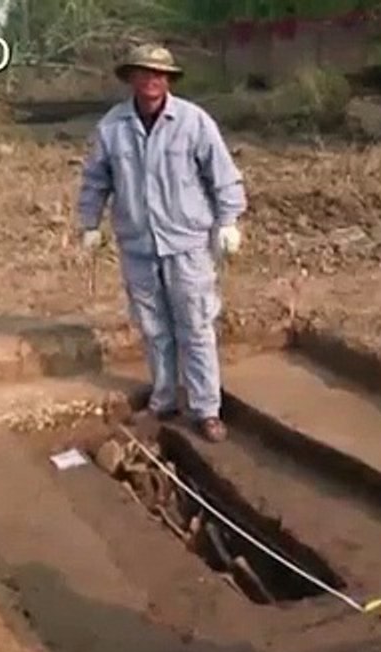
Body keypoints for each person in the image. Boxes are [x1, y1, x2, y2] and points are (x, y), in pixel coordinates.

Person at [77, 44, 247, 443]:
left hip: (187, 243)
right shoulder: (113, 127)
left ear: (168, 80)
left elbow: (222, 174)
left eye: (159, 73)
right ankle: (164, 398)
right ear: (131, 78)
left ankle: (206, 409)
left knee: (195, 325)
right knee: (154, 327)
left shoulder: (193, 121)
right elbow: (95, 179)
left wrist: (229, 220)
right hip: (138, 243)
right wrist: (89, 223)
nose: (152, 80)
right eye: (144, 73)